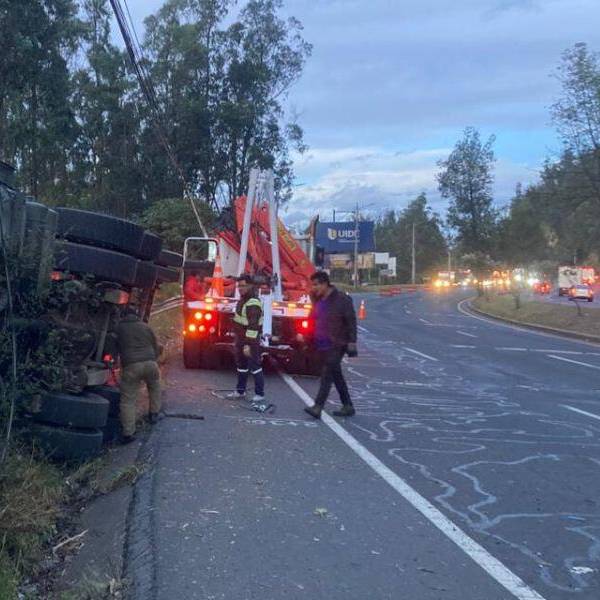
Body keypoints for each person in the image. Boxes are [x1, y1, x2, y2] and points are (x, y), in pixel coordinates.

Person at [303, 271, 357, 419]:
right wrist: (307, 336)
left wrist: (352, 341)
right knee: (336, 374)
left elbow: (351, 321)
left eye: (316, 285)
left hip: (337, 342)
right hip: (321, 343)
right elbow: (314, 318)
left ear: (325, 284)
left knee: (327, 374)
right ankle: (348, 405)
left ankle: (318, 407)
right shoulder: (318, 299)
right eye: (312, 285)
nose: (313, 288)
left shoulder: (342, 299)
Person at [116, 307, 162, 443]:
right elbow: (156, 345)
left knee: (128, 400)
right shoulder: (145, 327)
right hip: (150, 363)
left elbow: (114, 348)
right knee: (155, 387)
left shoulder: (119, 328)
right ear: (137, 315)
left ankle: (128, 433)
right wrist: (154, 358)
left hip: (131, 366)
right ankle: (154, 414)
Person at [227, 275, 265, 405]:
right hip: (241, 339)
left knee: (255, 366)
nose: (240, 288)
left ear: (250, 286)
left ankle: (259, 394)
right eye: (239, 286)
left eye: (243, 286)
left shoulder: (253, 303)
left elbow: (253, 326)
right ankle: (240, 391)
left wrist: (248, 345)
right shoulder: (244, 300)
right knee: (242, 365)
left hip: (250, 340)